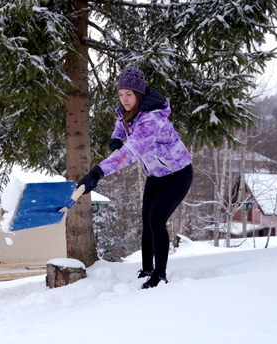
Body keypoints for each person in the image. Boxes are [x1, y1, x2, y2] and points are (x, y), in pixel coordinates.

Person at [78, 67, 193, 289]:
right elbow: (120, 127)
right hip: (156, 175)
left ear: (139, 94)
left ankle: (159, 275)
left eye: (129, 94)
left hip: (178, 174)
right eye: (121, 94)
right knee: (147, 221)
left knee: (157, 219)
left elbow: (130, 152)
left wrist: (98, 172)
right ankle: (147, 269)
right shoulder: (127, 111)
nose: (124, 100)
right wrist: (115, 140)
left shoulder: (151, 120)